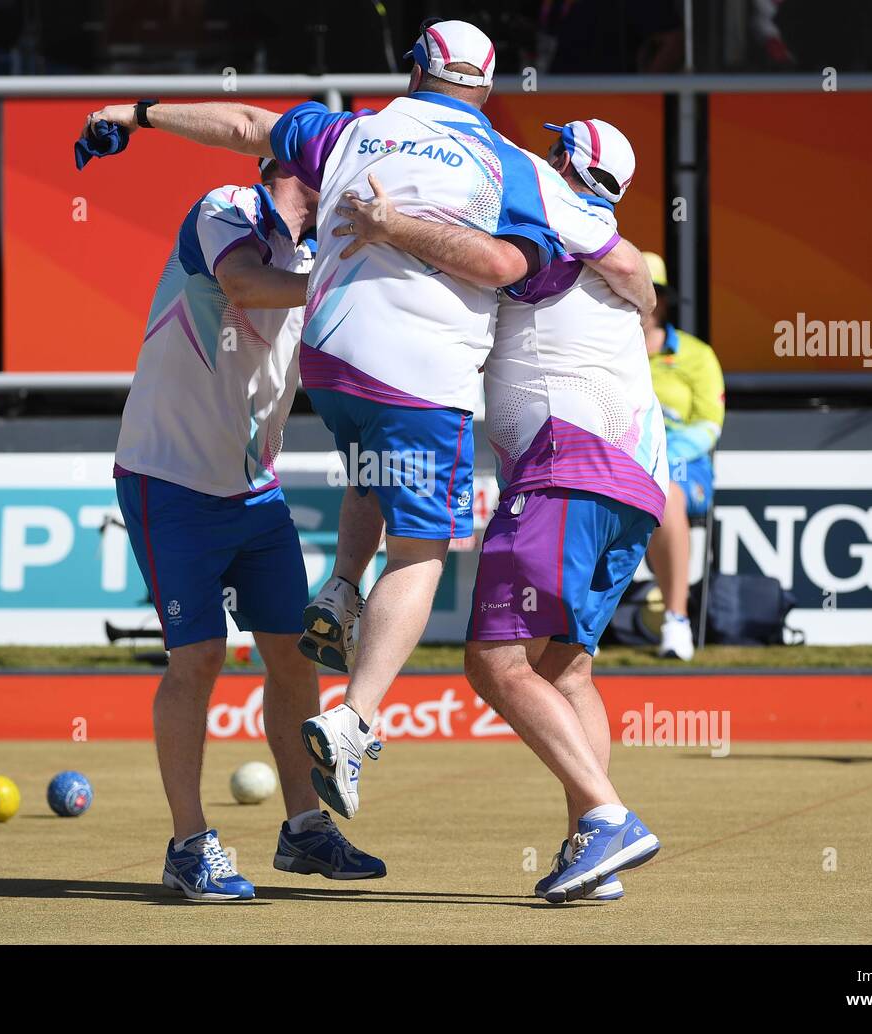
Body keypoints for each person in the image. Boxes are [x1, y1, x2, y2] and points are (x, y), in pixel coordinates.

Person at [90, 18, 622, 825]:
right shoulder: (510, 164)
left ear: (414, 70)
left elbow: (244, 124)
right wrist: (399, 234)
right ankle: (355, 719)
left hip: (334, 369)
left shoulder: (353, 133)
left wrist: (141, 111)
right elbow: (522, 261)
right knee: (422, 550)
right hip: (414, 377)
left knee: (375, 469)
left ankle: (340, 592)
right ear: (485, 88)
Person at [334, 117, 665, 903]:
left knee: (493, 662)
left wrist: (390, 224)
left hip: (565, 465)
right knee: (568, 669)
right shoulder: (597, 239)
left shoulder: (550, 217)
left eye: (552, 152)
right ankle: (596, 848)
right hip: (628, 481)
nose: (537, 159)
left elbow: (480, 249)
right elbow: (627, 267)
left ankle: (609, 818)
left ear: (564, 165)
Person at [106, 153, 384, 902]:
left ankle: (303, 831)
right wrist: (343, 278)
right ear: (305, 167)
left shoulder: (319, 251)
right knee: (197, 661)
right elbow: (242, 284)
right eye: (348, 163)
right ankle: (190, 845)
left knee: (294, 657)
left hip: (255, 493)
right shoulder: (230, 205)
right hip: (167, 480)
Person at [640, 251, 726, 661]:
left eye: (647, 292)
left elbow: (710, 424)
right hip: (620, 462)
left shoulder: (696, 354)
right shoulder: (603, 349)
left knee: (666, 491)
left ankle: (676, 620)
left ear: (661, 300)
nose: (635, 299)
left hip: (681, 466)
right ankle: (579, 627)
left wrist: (657, 452)